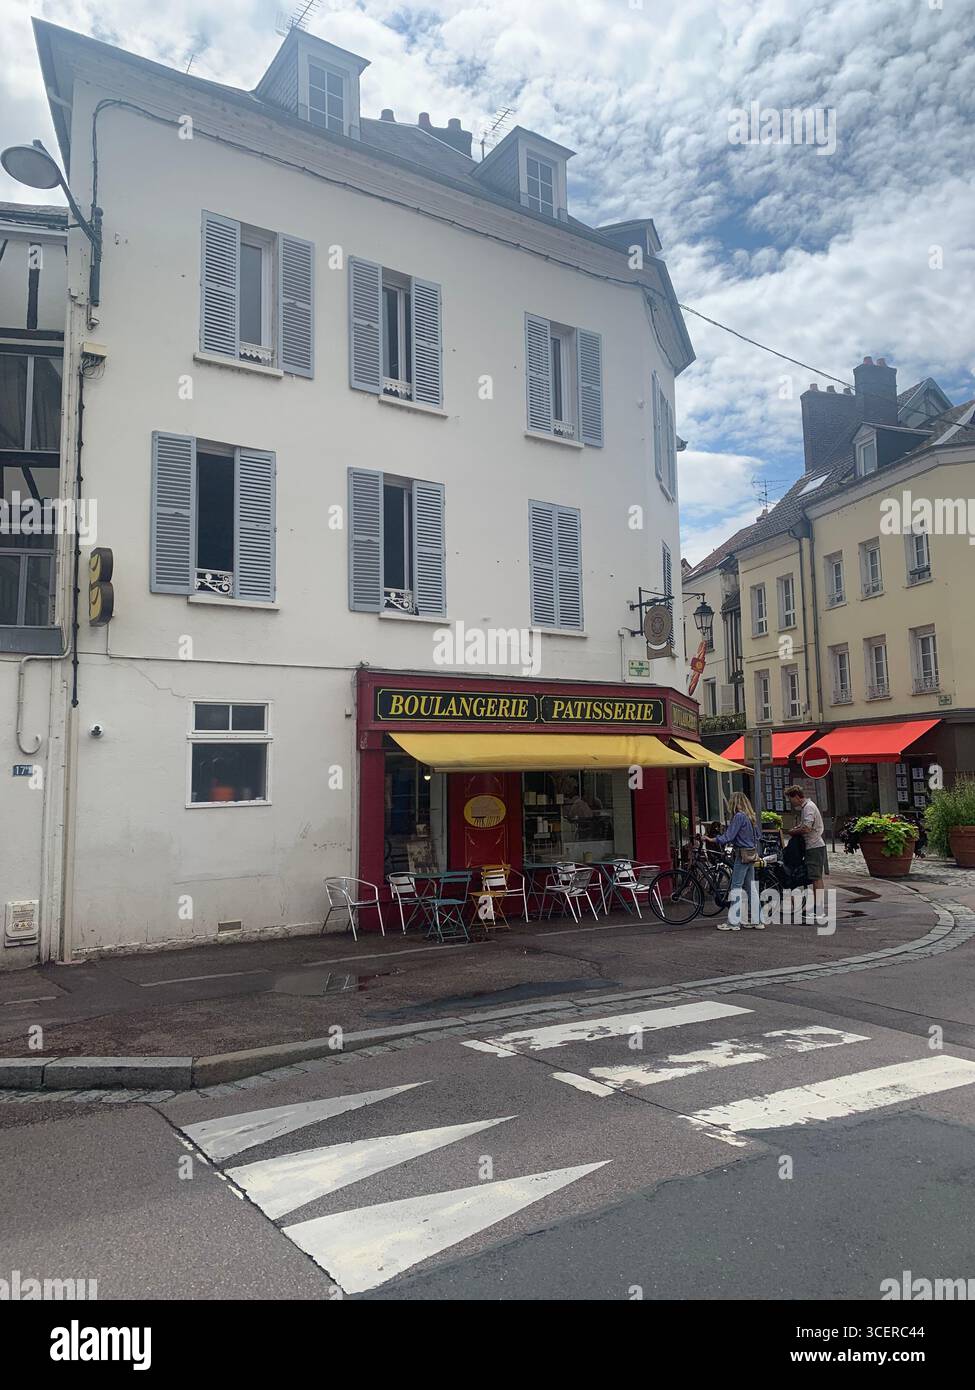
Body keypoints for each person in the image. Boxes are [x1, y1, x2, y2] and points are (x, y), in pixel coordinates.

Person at [706, 791, 762, 931]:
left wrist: (712, 839)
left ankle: (733, 922)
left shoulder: (739, 816)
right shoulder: (750, 817)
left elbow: (729, 836)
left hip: (742, 855)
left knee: (736, 888)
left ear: (734, 803)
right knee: (751, 889)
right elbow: (758, 835)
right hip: (751, 854)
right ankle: (758, 920)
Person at [785, 785, 827, 892]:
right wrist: (797, 827)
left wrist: (792, 832)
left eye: (791, 799)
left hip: (814, 845)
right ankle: (818, 900)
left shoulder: (809, 807)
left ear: (796, 797)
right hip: (812, 846)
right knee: (814, 876)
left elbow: (807, 828)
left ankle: (819, 901)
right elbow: (804, 825)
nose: (791, 802)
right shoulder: (806, 807)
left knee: (815, 877)